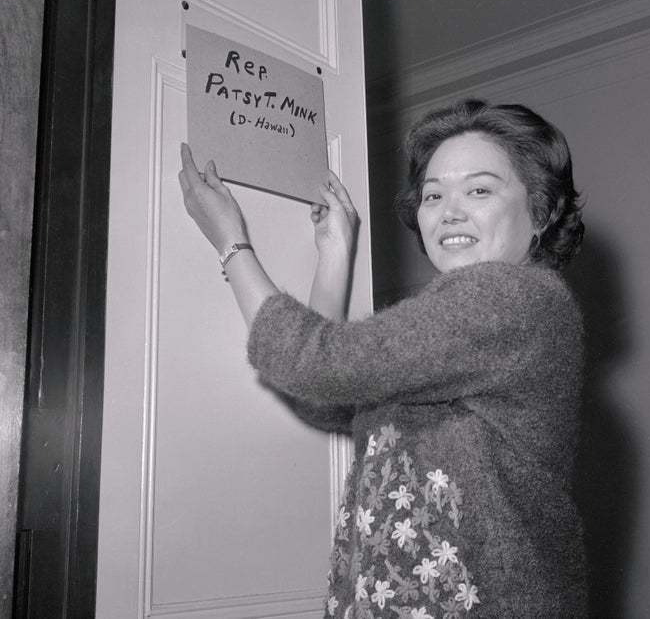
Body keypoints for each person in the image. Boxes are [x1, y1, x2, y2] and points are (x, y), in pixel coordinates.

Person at [179, 98, 587, 618]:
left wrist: (231, 244)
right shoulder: (469, 325)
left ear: (543, 209)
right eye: (433, 194)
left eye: (479, 189)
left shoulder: (517, 298)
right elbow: (322, 397)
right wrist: (334, 254)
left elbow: (318, 366)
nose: (448, 210)